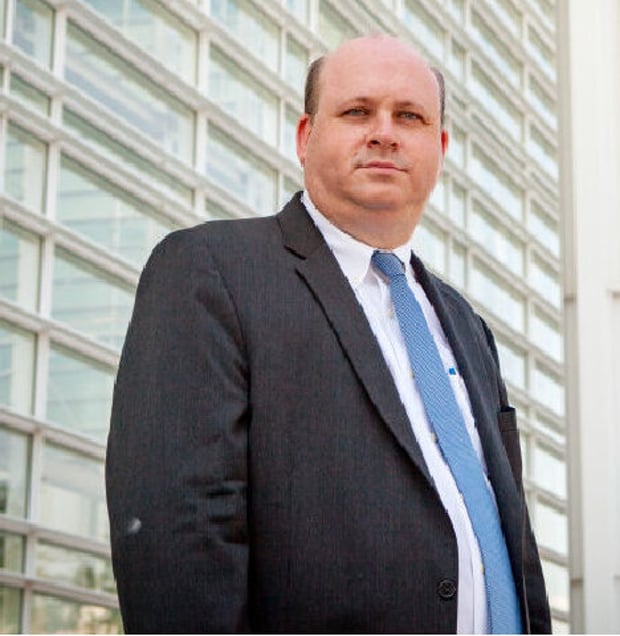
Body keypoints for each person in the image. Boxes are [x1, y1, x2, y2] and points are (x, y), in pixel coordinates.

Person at [106, 34, 551, 634]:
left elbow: (508, 542)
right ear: (305, 136)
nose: (385, 132)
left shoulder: (468, 328)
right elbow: (176, 533)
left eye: (410, 117)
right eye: (357, 111)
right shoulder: (212, 271)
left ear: (439, 148)